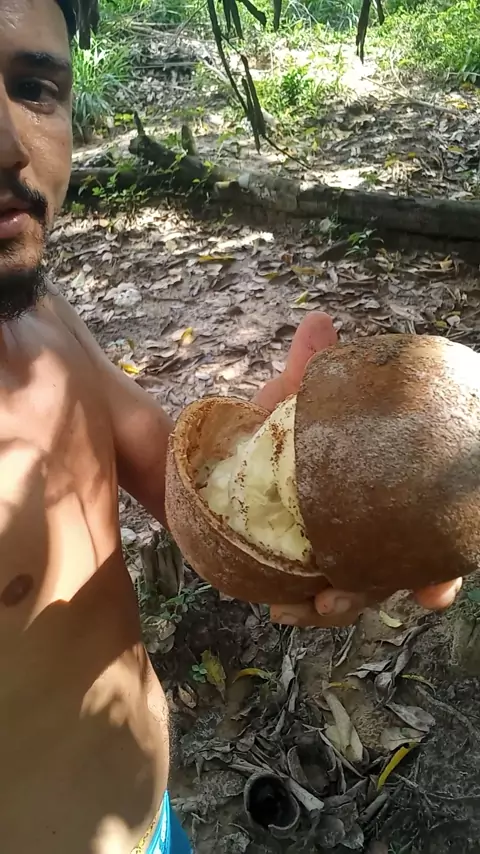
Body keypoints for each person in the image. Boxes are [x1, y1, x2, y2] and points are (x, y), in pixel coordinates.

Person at [0, 1, 463, 852]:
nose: (7, 145)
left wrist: (279, 474)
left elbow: (182, 491)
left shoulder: (36, 309)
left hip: (153, 819)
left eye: (32, 87)